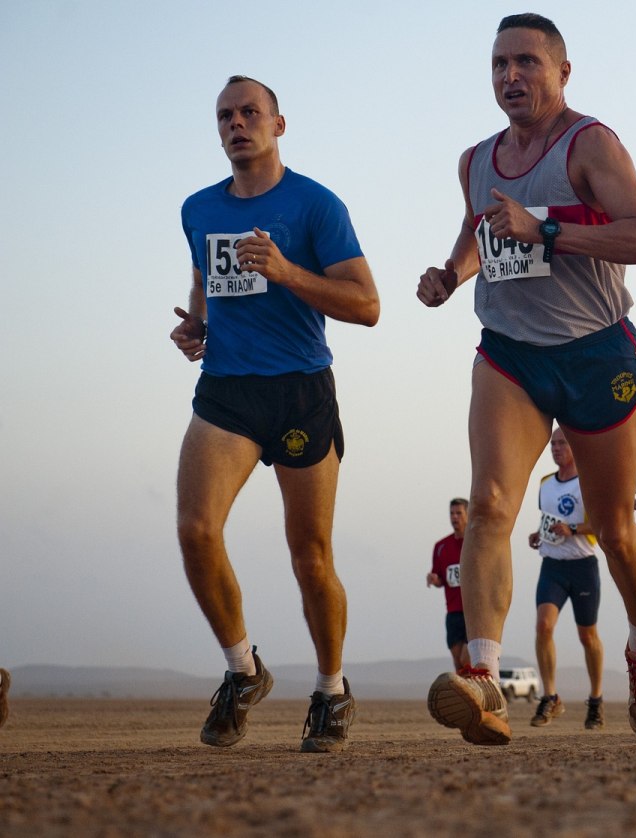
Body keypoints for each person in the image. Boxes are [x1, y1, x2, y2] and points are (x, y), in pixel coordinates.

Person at [417, 13, 636, 746]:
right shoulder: (475, 160)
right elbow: (479, 233)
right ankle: (485, 676)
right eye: (500, 64)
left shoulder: (589, 144)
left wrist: (549, 229)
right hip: (510, 355)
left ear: (563, 72)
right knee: (493, 502)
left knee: (616, 526)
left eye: (528, 62)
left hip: (597, 354)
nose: (511, 77)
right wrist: (449, 274)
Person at [172, 75, 380, 753]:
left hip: (300, 390)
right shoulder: (197, 207)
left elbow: (367, 306)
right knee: (197, 530)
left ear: (278, 125)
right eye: (226, 116)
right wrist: (197, 324)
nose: (238, 124)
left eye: (250, 113)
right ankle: (242, 672)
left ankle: (330, 689)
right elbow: (208, 273)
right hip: (227, 390)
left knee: (311, 558)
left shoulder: (316, 205)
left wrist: (289, 272)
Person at [526, 428, 607, 729]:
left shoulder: (589, 480)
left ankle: (596, 700)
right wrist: (539, 535)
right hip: (553, 566)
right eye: (553, 444)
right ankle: (550, 697)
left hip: (583, 566)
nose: (556, 449)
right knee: (543, 626)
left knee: (587, 636)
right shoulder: (546, 484)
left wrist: (573, 530)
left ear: (576, 447)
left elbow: (602, 523)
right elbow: (548, 521)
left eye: (562, 444)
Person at [426, 498, 471, 673]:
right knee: (458, 663)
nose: (454, 517)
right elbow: (440, 579)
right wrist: (434, 579)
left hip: (473, 610)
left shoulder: (476, 543)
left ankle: (477, 694)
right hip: (453, 611)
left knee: (467, 659)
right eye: (452, 513)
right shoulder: (441, 546)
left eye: (459, 513)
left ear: (468, 515)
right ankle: (465, 697)